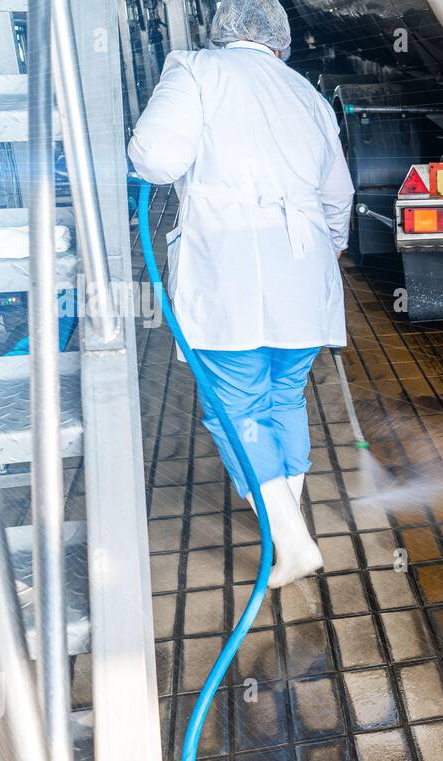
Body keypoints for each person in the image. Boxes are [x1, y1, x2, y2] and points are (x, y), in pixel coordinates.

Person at [128, 0, 353, 588]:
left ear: (221, 31)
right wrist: (327, 253)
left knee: (237, 411)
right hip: (304, 270)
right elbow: (338, 195)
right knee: (283, 396)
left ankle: (294, 541)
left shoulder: (196, 70)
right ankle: (286, 522)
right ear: (280, 42)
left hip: (229, 269)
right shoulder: (307, 92)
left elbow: (154, 158)